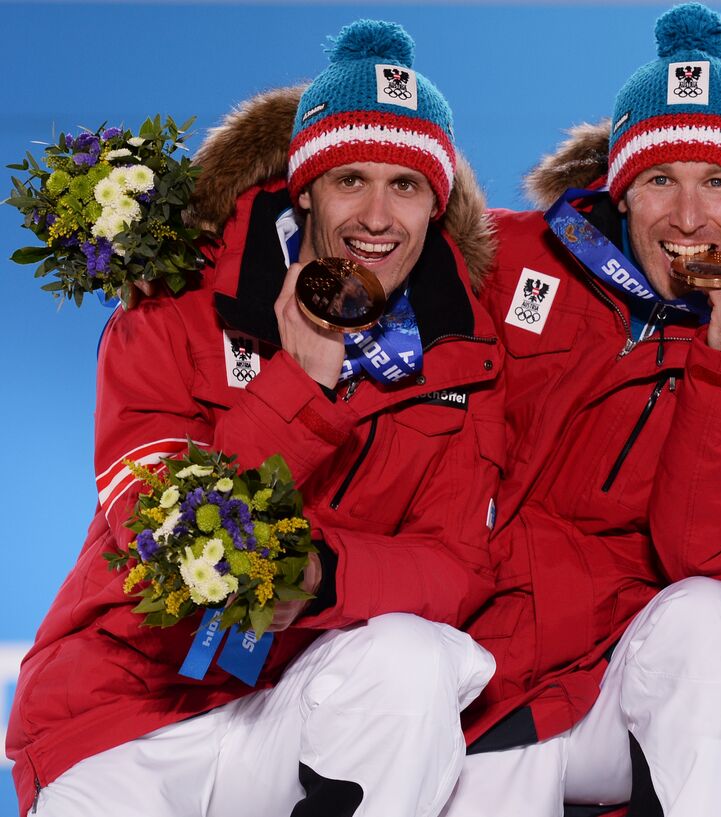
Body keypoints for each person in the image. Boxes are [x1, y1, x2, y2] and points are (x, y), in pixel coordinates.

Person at [6, 20, 504, 817]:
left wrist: (323, 573)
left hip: (297, 701)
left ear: (436, 206)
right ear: (304, 185)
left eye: (406, 186)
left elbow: (455, 564)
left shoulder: (461, 350)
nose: (378, 216)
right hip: (123, 708)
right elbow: (161, 533)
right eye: (350, 179)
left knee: (418, 658)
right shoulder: (175, 305)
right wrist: (299, 382)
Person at [443, 5, 721, 816]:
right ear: (621, 190)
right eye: (661, 180)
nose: (690, 217)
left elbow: (712, 557)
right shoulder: (509, 256)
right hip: (470, 657)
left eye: (719, 183)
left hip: (613, 681)